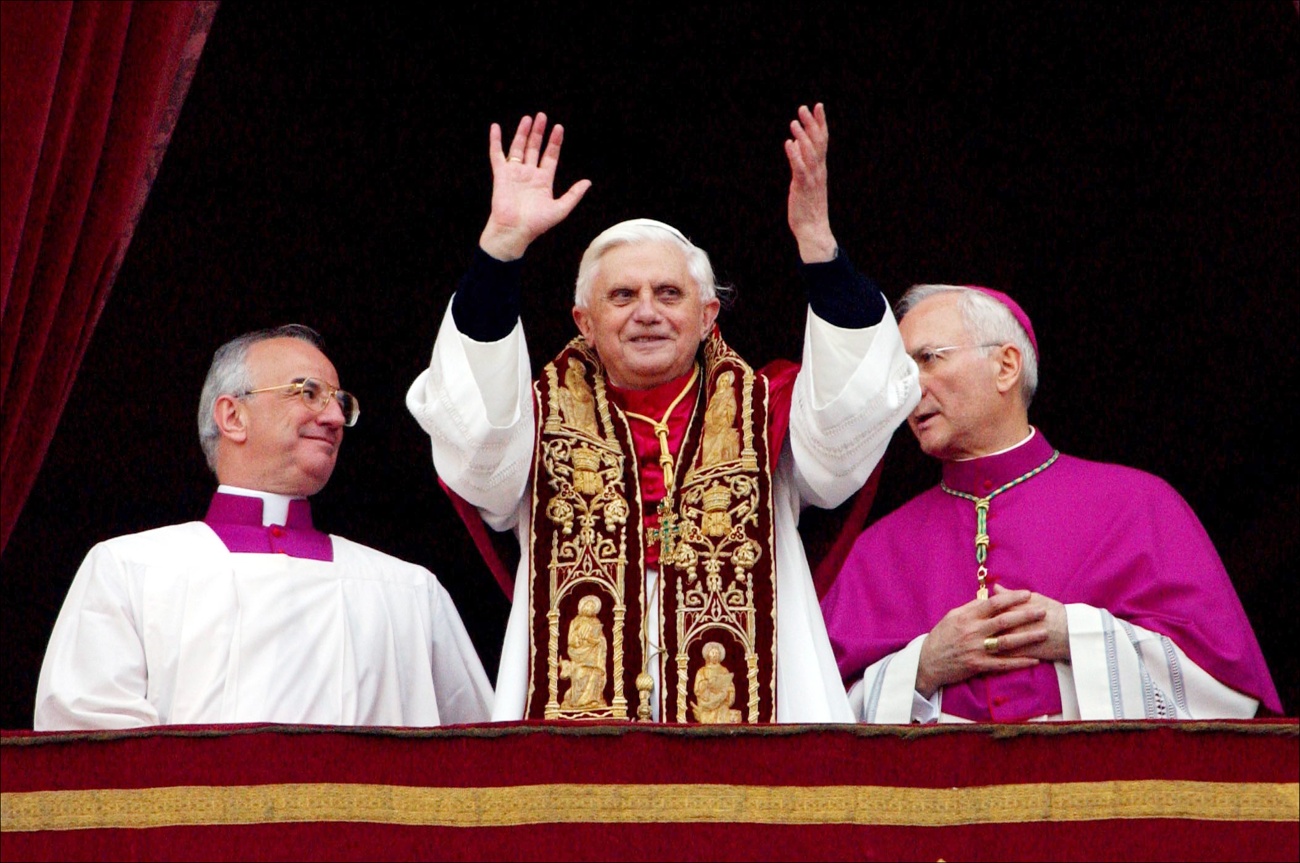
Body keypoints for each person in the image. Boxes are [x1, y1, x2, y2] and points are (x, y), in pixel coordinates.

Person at [407, 104, 919, 723]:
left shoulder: (769, 413)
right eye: (622, 295)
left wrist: (819, 248)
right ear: (584, 323)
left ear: (707, 317)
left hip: (757, 711)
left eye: (669, 294)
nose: (647, 312)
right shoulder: (534, 419)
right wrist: (500, 251)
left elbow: (849, 428)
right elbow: (476, 445)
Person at [821, 285, 1283, 722]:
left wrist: (1072, 634)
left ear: (1006, 366)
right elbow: (815, 719)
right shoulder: (872, 551)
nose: (908, 390)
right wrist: (923, 666)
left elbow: (1224, 692)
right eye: (901, 373)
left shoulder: (1139, 505)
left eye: (927, 359)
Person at [34, 325, 494, 730]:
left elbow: (479, 760)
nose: (334, 418)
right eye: (307, 392)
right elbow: (95, 755)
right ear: (233, 417)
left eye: (340, 402)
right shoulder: (128, 570)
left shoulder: (410, 591)